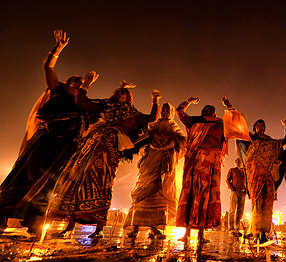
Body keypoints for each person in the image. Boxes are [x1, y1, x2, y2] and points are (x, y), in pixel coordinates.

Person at [49, 71, 158, 239]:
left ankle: (99, 229)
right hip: (91, 143)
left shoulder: (132, 113)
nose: (120, 94)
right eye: (118, 92)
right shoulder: (105, 105)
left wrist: (155, 101)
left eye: (124, 93)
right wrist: (87, 84)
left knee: (103, 182)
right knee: (79, 178)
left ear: (129, 98)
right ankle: (69, 227)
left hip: (110, 149)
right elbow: (80, 101)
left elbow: (151, 117)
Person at [0, 30, 87, 235]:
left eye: (81, 83)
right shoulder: (57, 90)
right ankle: (1, 215)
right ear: (67, 83)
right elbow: (48, 67)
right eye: (74, 81)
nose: (77, 83)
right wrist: (58, 49)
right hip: (44, 142)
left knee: (50, 183)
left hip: (64, 148)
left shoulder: (83, 103)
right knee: (22, 177)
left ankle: (35, 222)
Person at [175, 96, 250, 246]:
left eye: (211, 111)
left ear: (215, 114)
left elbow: (238, 122)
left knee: (207, 195)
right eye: (205, 110)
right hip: (197, 160)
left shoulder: (222, 124)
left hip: (214, 162)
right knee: (192, 193)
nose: (208, 112)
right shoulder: (195, 122)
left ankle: (201, 235)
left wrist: (228, 104)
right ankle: (187, 234)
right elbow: (179, 111)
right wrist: (189, 101)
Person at [123, 102, 186, 239]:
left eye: (166, 110)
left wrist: (174, 139)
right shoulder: (152, 126)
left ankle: (154, 229)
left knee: (159, 194)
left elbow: (183, 143)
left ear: (171, 112)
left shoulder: (174, 128)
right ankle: (135, 226)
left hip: (163, 166)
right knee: (142, 193)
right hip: (149, 163)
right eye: (162, 109)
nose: (164, 112)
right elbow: (140, 139)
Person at [242, 118, 286, 243]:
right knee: (256, 201)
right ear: (254, 128)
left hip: (269, 173)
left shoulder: (270, 141)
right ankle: (256, 232)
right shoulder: (250, 139)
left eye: (263, 125)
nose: (261, 127)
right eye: (258, 125)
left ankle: (264, 232)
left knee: (268, 202)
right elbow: (239, 131)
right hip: (254, 174)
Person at [226, 158, 246, 237]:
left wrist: (246, 190)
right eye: (237, 161)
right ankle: (231, 229)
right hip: (234, 191)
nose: (238, 162)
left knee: (240, 212)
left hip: (243, 192)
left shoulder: (244, 171)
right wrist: (232, 189)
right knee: (232, 211)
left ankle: (237, 228)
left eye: (239, 161)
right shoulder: (232, 170)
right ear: (235, 163)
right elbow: (227, 180)